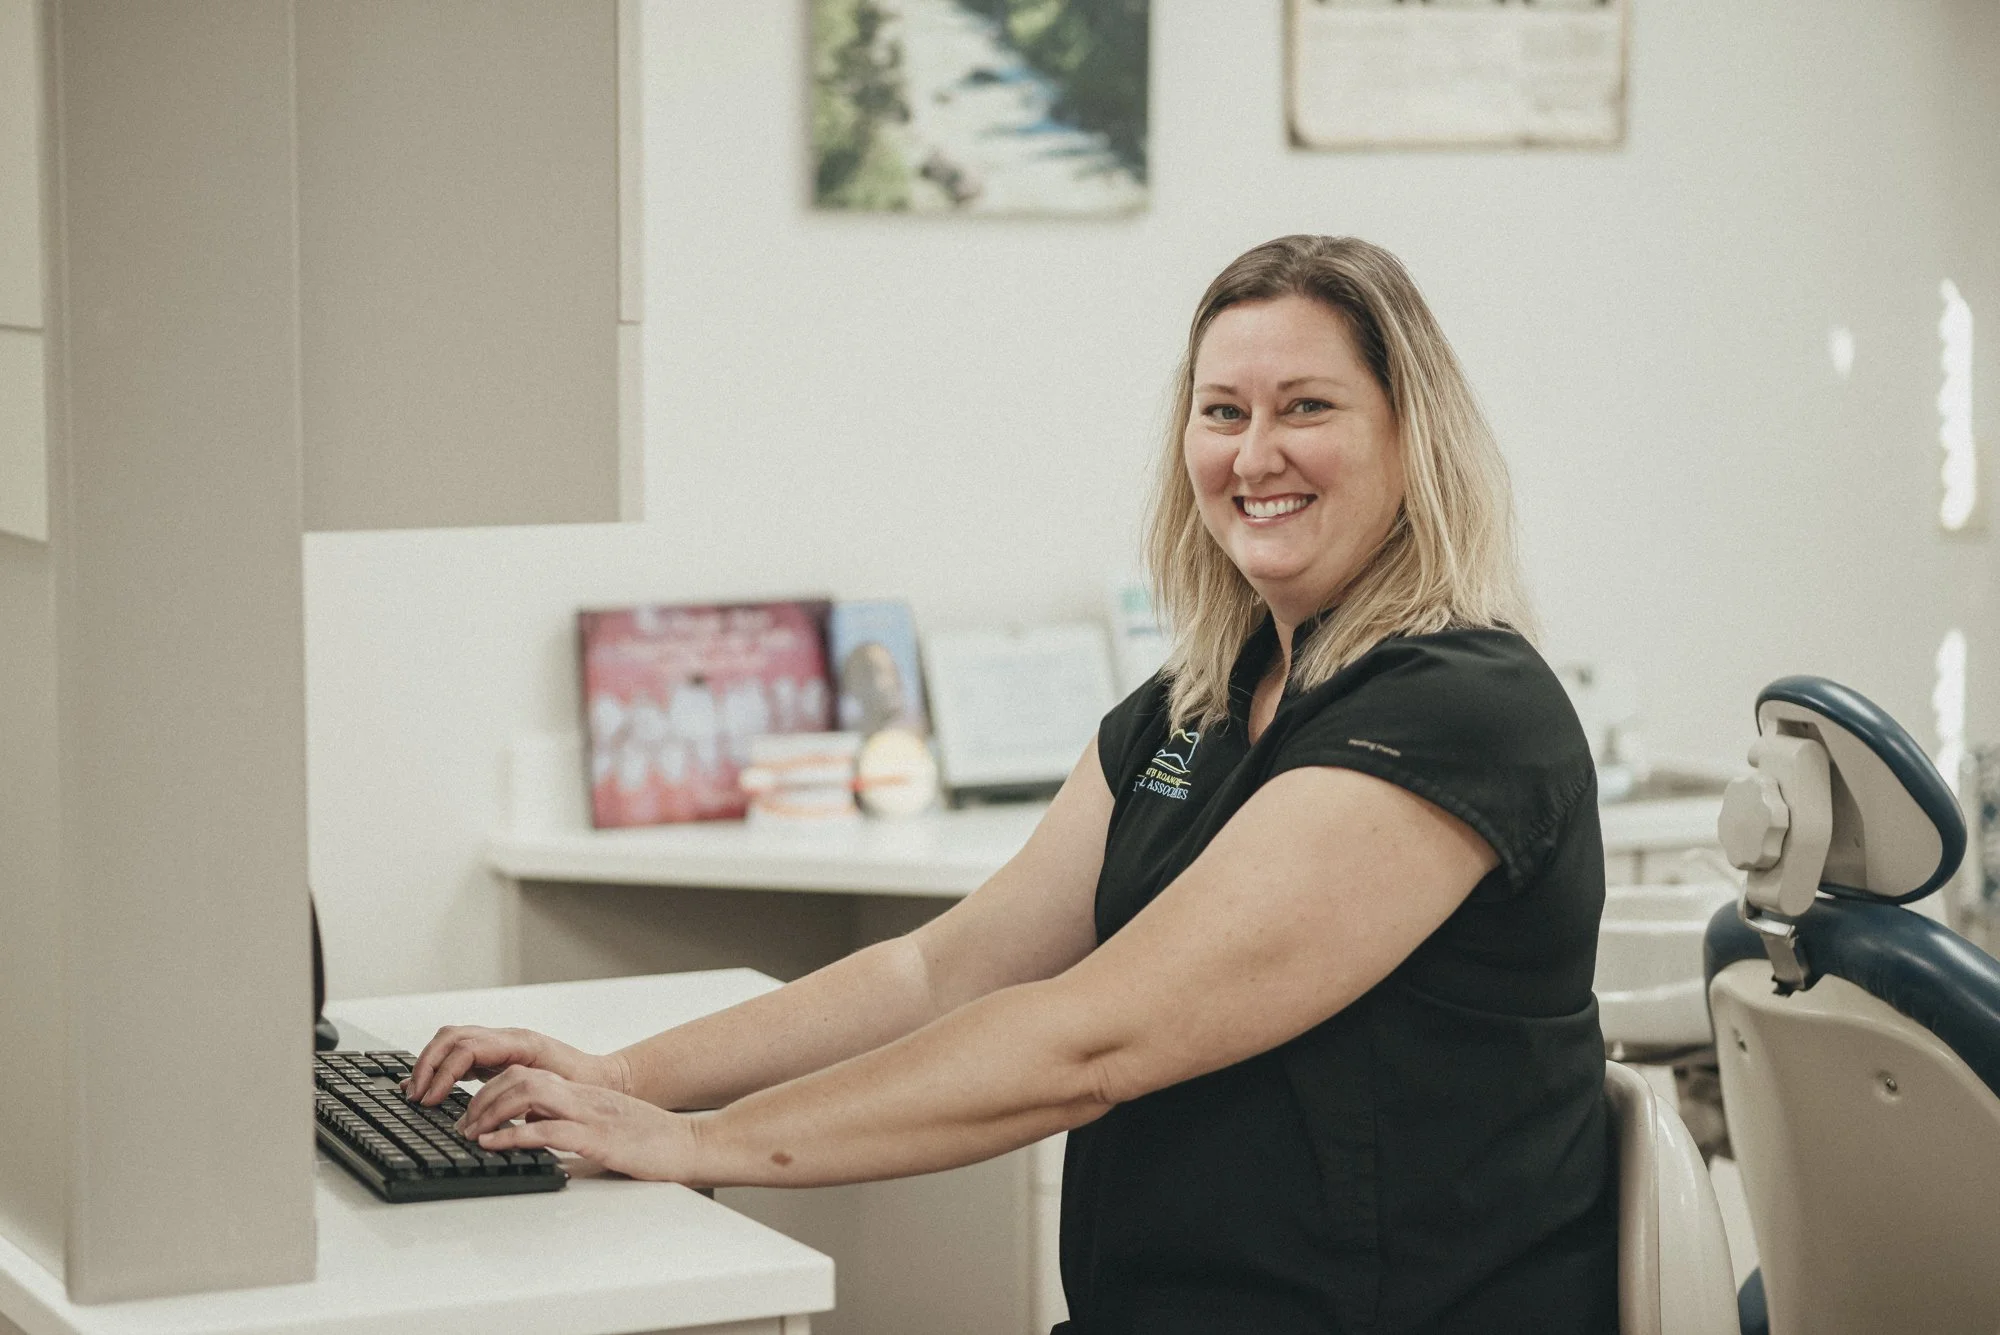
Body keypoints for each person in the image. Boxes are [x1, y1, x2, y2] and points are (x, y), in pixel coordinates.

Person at [407, 235, 1615, 1334]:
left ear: (1410, 437)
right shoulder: (1194, 701)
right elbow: (947, 965)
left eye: (1306, 408)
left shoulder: (1459, 713)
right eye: (1220, 411)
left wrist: (695, 1143)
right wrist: (619, 1078)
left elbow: (1092, 1040)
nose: (1253, 455)